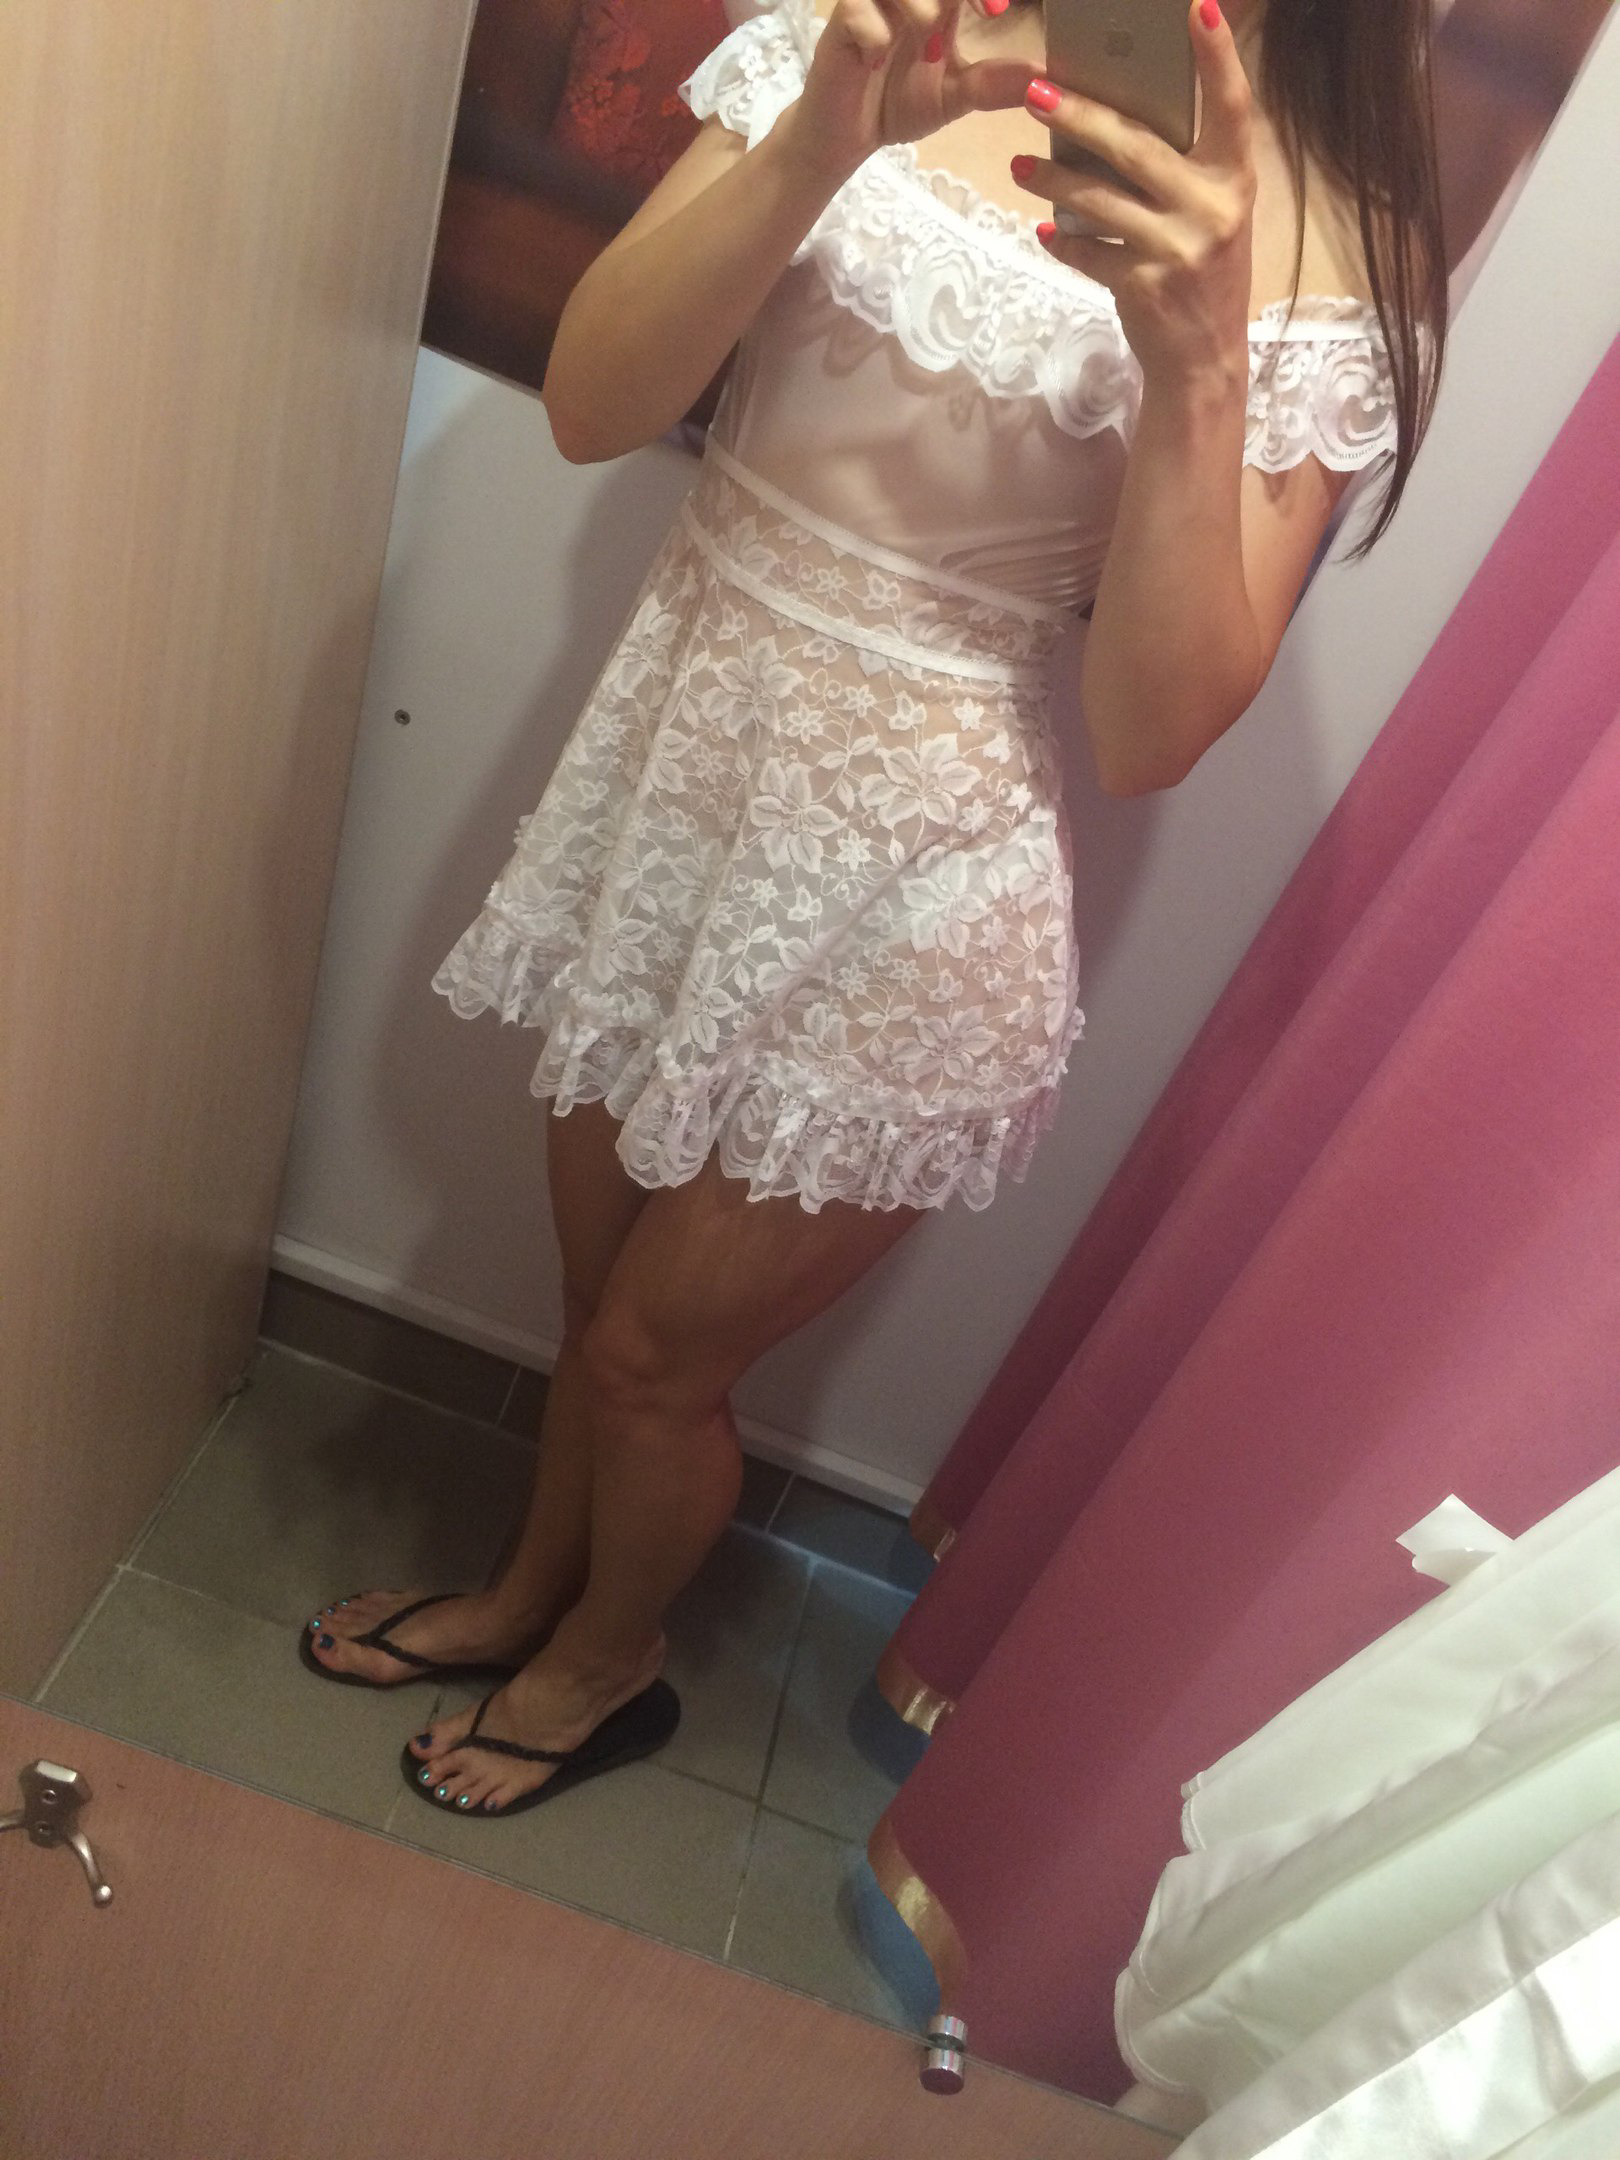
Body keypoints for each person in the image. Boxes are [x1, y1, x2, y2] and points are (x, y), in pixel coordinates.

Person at [300, 0, 1447, 1816]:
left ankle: (605, 1665)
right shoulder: (863, 26)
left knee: (654, 1358)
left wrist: (1201, 358)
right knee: (595, 1303)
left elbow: (1149, 734)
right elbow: (597, 406)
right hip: (681, 789)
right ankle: (527, 1594)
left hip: (923, 895)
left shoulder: (1326, 248)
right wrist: (825, 141)